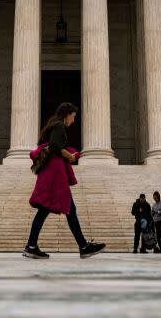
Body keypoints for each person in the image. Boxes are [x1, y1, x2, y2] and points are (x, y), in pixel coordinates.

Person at [23, 102, 106, 259]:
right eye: (73, 117)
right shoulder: (59, 125)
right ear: (67, 114)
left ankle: (32, 245)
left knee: (49, 209)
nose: (73, 121)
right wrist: (70, 156)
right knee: (67, 209)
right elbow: (55, 146)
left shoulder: (53, 125)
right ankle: (83, 246)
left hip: (51, 172)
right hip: (55, 174)